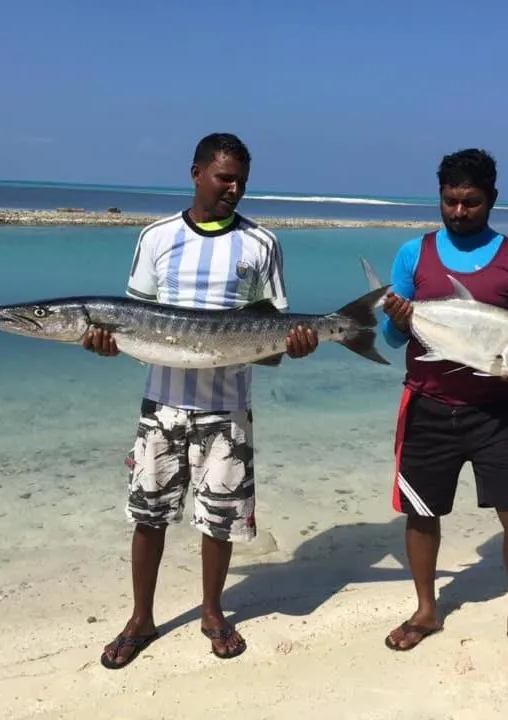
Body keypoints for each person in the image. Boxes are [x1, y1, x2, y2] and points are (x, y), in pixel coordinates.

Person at [85, 132, 319, 669]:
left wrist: (294, 345)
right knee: (149, 516)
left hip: (228, 409)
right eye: (224, 177)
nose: (233, 189)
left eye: (241, 180)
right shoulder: (156, 238)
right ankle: (141, 617)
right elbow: (133, 322)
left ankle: (212, 612)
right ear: (196, 173)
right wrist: (109, 345)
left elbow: (271, 338)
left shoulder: (262, 244)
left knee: (220, 521)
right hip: (160, 408)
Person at [379, 148, 508, 671]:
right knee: (421, 514)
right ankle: (425, 611)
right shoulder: (413, 255)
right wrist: (396, 316)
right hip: (427, 405)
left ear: (492, 200)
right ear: (439, 198)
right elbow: (395, 339)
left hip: (496, 413)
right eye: (450, 202)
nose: (459, 212)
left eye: (471, 203)